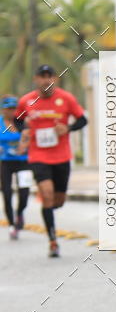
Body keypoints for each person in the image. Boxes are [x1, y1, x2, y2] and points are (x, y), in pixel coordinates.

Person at [16, 65, 87, 258]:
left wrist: (68, 128)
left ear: (55, 79)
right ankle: (53, 241)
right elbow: (17, 120)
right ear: (36, 79)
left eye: (49, 76)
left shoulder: (66, 98)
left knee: (58, 200)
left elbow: (82, 120)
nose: (46, 80)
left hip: (62, 156)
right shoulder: (26, 101)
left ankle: (50, 209)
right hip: (38, 156)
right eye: (42, 77)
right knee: (46, 195)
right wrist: (25, 128)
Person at [0, 95, 32, 240]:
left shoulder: (22, 122)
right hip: (5, 163)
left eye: (14, 108)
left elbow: (30, 136)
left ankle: (19, 213)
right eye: (8, 109)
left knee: (24, 193)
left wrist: (24, 145)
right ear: (3, 110)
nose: (11, 112)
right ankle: (12, 225)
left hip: (23, 161)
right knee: (7, 193)